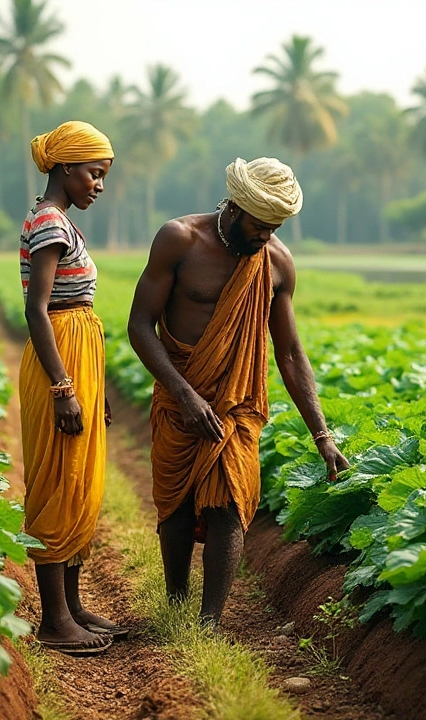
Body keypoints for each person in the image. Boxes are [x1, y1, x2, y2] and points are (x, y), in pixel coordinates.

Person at [127, 157, 350, 627]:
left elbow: (289, 353)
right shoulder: (180, 239)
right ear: (235, 206)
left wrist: (322, 435)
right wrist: (184, 394)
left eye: (276, 226)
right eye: (260, 224)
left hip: (238, 403)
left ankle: (209, 622)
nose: (266, 236)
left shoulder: (277, 264)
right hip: (180, 394)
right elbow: (140, 325)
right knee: (178, 506)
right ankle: (175, 601)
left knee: (229, 500)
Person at [18, 120, 124, 656]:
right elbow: (38, 311)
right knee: (58, 482)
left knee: (78, 477)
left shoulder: (60, 220)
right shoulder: (48, 222)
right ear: (65, 168)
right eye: (93, 173)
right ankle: (54, 621)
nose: (98, 185)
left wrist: (94, 385)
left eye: (103, 176)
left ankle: (74, 606)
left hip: (78, 354)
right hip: (57, 356)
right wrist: (64, 388)